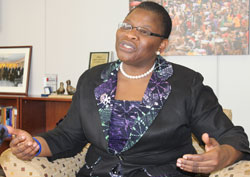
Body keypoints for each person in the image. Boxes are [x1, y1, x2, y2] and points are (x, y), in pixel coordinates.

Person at [6, 1, 250, 177]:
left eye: (143, 31)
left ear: (162, 45)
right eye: (127, 26)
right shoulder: (92, 79)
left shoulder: (187, 84)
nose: (131, 35)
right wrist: (35, 144)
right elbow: (69, 136)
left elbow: (233, 137)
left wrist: (223, 155)